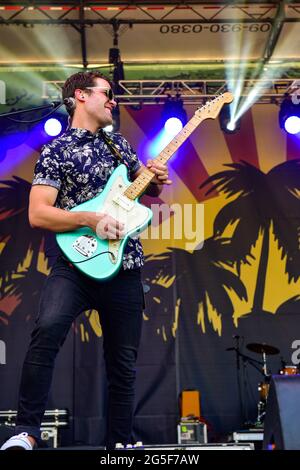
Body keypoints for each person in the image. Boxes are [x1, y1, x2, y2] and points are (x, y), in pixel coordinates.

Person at [1, 71, 171, 450]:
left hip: (123, 265)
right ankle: (26, 432)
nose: (113, 101)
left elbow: (140, 193)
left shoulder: (120, 146)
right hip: (73, 264)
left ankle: (119, 446)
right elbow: (39, 214)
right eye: (107, 94)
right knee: (46, 334)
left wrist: (154, 179)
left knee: (123, 364)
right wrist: (88, 218)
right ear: (80, 95)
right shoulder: (57, 150)